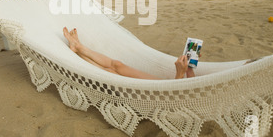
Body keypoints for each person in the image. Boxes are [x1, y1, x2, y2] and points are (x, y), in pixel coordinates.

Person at [63, 27, 195, 80]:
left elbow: (175, 97)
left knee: (110, 71)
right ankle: (79, 48)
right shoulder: (202, 85)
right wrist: (189, 69)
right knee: (117, 64)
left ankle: (78, 51)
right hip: (165, 84)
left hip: (161, 91)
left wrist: (179, 73)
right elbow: (191, 82)